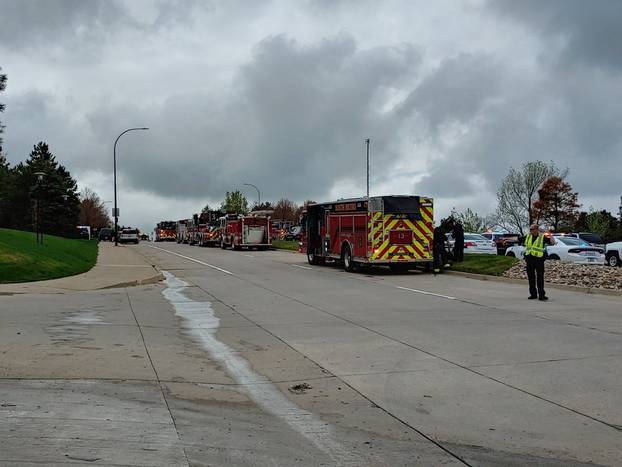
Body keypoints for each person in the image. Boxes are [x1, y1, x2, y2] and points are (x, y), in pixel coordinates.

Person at [524, 224, 555, 301]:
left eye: (532, 229)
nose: (530, 231)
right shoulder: (528, 236)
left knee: (540, 278)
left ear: (536, 229)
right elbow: (519, 240)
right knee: (531, 278)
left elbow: (552, 242)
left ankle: (541, 295)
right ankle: (533, 294)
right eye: (530, 229)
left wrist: (550, 234)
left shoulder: (542, 237)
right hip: (529, 260)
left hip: (539, 260)